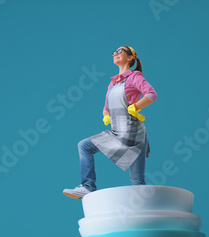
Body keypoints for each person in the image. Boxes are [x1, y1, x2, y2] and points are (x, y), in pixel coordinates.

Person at [63, 46, 157, 199]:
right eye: (114, 52)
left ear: (130, 57)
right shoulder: (112, 84)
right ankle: (87, 186)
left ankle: (149, 211)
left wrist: (136, 106)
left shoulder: (135, 76)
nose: (115, 54)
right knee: (84, 145)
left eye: (119, 51)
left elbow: (151, 94)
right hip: (117, 131)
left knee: (137, 180)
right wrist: (106, 115)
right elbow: (106, 107)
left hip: (133, 134)